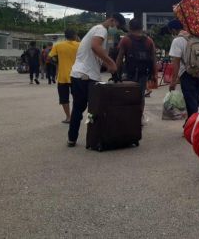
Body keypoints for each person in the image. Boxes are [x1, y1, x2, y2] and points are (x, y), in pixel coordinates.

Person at [66, 13, 127, 147]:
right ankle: (94, 137)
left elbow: (97, 54)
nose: (116, 29)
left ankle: (72, 138)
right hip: (87, 76)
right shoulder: (101, 29)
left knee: (78, 108)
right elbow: (95, 46)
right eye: (117, 26)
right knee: (94, 109)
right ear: (112, 20)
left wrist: (108, 65)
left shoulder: (96, 31)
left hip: (78, 74)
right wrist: (111, 63)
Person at [167, 19, 199, 117]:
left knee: (191, 102)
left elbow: (176, 62)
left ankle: (195, 125)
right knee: (195, 99)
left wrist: (173, 81)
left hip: (186, 73)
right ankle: (190, 123)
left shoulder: (177, 40)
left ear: (173, 30)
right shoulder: (198, 37)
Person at [115, 18, 157, 98]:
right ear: (142, 27)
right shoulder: (149, 41)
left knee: (128, 95)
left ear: (130, 27)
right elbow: (154, 59)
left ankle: (129, 110)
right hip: (143, 74)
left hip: (128, 73)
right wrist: (154, 74)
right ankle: (139, 110)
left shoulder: (125, 40)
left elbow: (119, 58)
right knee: (140, 96)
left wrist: (116, 73)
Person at [48, 30, 80, 123]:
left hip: (63, 76)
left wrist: (57, 63)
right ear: (75, 35)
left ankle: (68, 117)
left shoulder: (58, 45)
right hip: (76, 75)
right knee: (77, 98)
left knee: (64, 98)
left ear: (65, 36)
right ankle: (76, 116)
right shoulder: (80, 45)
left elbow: (49, 58)